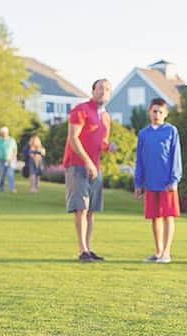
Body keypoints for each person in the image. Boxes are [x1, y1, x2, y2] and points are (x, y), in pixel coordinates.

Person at [65, 79, 113, 261]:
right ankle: (82, 249)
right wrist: (87, 162)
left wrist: (109, 147)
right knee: (81, 208)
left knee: (91, 210)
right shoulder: (81, 110)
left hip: (95, 167)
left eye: (107, 89)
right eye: (100, 88)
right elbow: (73, 138)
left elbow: (102, 143)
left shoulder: (106, 117)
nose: (103, 91)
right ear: (93, 91)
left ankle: (89, 248)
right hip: (77, 165)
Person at [134, 98, 182, 263]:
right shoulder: (143, 134)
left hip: (167, 183)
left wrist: (174, 179)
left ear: (166, 114)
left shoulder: (171, 131)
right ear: (149, 112)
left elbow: (176, 156)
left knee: (168, 216)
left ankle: (166, 253)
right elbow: (139, 160)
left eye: (160, 112)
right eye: (154, 111)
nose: (157, 115)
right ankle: (158, 251)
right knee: (155, 217)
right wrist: (138, 183)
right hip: (150, 182)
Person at [0, 126, 17, 193]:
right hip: (1, 160)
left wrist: (13, 158)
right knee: (1, 175)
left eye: (5, 132)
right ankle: (1, 189)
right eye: (2, 132)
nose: (4, 134)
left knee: (10, 174)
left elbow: (15, 150)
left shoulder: (11, 140)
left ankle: (12, 188)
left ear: (7, 133)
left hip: (10, 160)